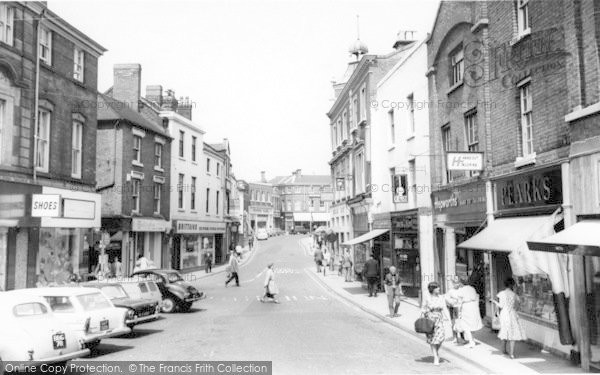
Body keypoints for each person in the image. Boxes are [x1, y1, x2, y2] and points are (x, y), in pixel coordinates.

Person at [491, 278, 526, 359]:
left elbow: (501, 306)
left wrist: (494, 302)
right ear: (512, 285)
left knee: (505, 330)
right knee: (513, 332)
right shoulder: (514, 295)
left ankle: (503, 349)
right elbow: (518, 305)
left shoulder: (501, 294)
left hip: (504, 314)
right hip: (512, 313)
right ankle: (512, 353)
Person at [422, 281, 451, 366]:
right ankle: (435, 356)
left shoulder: (441, 297)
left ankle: (436, 352)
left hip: (439, 319)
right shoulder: (427, 297)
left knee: (441, 338)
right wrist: (425, 312)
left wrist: (449, 320)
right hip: (430, 319)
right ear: (433, 289)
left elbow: (445, 309)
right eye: (437, 288)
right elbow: (423, 307)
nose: (439, 289)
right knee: (432, 339)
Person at [456, 278, 483, 348]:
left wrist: (459, 311)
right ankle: (472, 340)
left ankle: (471, 342)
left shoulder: (461, 290)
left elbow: (459, 301)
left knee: (465, 325)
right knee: (470, 324)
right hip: (473, 307)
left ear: (461, 283)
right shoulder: (472, 288)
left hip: (466, 307)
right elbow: (476, 296)